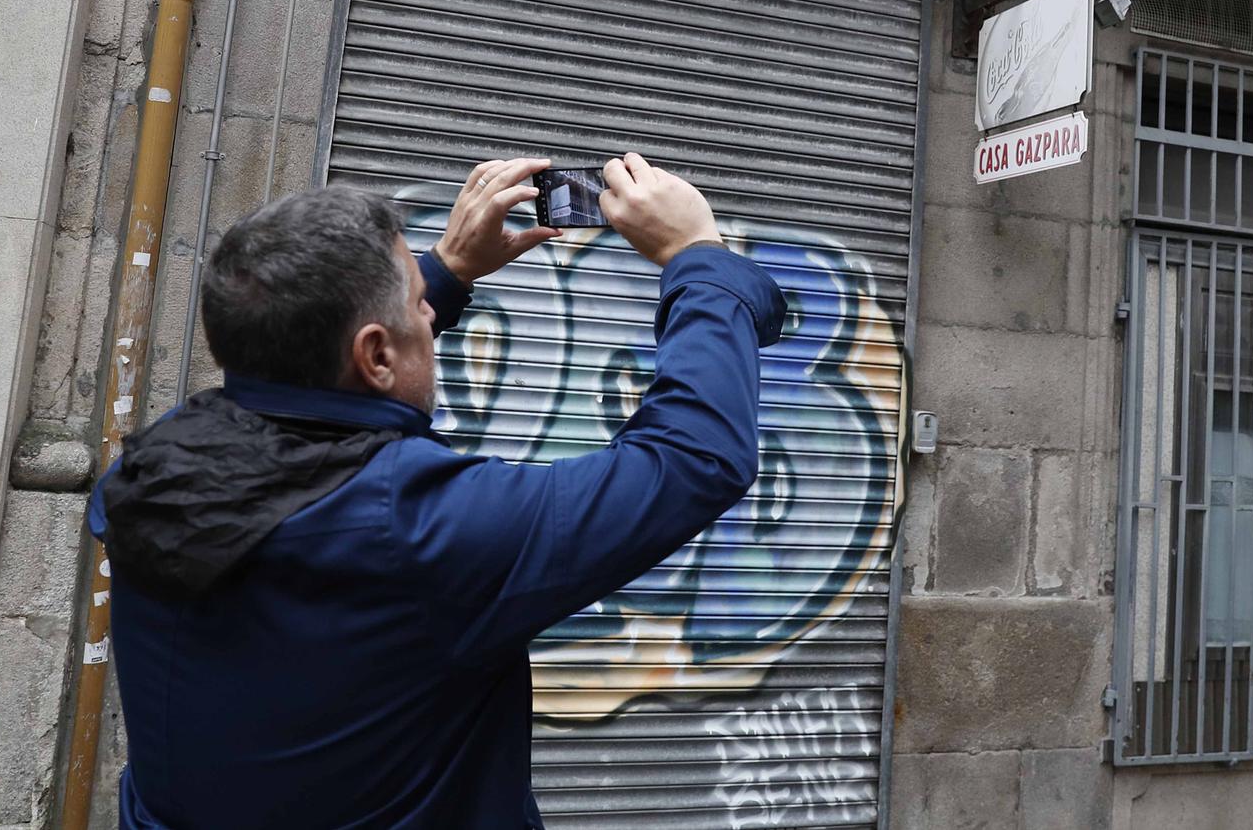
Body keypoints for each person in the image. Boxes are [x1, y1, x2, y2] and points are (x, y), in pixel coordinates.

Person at [89, 153, 786, 829]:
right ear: (375, 354)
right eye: (420, 306)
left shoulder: (159, 466)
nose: (429, 315)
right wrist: (698, 256)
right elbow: (694, 459)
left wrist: (448, 270)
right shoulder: (417, 531)